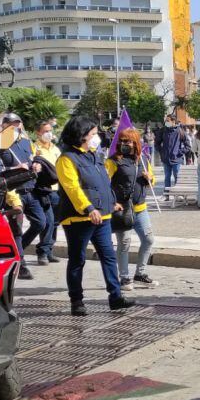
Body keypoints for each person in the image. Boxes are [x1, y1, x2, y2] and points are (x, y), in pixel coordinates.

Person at [56, 115, 135, 316]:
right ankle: (76, 300)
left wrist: (111, 201)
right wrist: (89, 208)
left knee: (108, 257)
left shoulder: (94, 155)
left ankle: (115, 297)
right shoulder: (66, 159)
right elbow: (72, 188)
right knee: (77, 259)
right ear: (81, 135)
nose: (96, 137)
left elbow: (103, 183)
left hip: (103, 216)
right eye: (92, 134)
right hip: (79, 218)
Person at [107, 127, 156, 288]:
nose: (123, 143)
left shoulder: (142, 160)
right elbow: (104, 184)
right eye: (121, 140)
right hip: (123, 210)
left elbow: (152, 182)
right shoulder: (113, 161)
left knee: (148, 240)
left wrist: (150, 178)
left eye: (127, 141)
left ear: (135, 143)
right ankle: (124, 277)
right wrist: (112, 203)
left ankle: (140, 274)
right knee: (125, 243)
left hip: (141, 208)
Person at [0, 112, 42, 280]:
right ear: (4, 126)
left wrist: (36, 164)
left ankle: (17, 249)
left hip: (29, 189)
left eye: (17, 123)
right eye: (10, 123)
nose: (15, 126)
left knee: (41, 222)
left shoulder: (25, 142)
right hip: (12, 191)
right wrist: (15, 169)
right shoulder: (0, 144)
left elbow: (33, 158)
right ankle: (21, 264)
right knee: (16, 229)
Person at [29, 119, 62, 266]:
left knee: (54, 222)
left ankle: (49, 250)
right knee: (47, 221)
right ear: (38, 133)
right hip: (42, 190)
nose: (49, 134)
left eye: (50, 131)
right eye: (45, 131)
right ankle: (42, 252)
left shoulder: (55, 148)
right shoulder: (34, 148)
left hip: (56, 190)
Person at [155, 114, 185, 197]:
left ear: (173, 121)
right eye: (166, 120)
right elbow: (157, 143)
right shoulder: (163, 130)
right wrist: (161, 151)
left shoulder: (180, 131)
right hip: (166, 159)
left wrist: (179, 152)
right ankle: (166, 195)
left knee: (177, 177)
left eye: (168, 120)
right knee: (167, 177)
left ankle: (178, 195)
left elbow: (188, 145)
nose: (166, 122)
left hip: (176, 159)